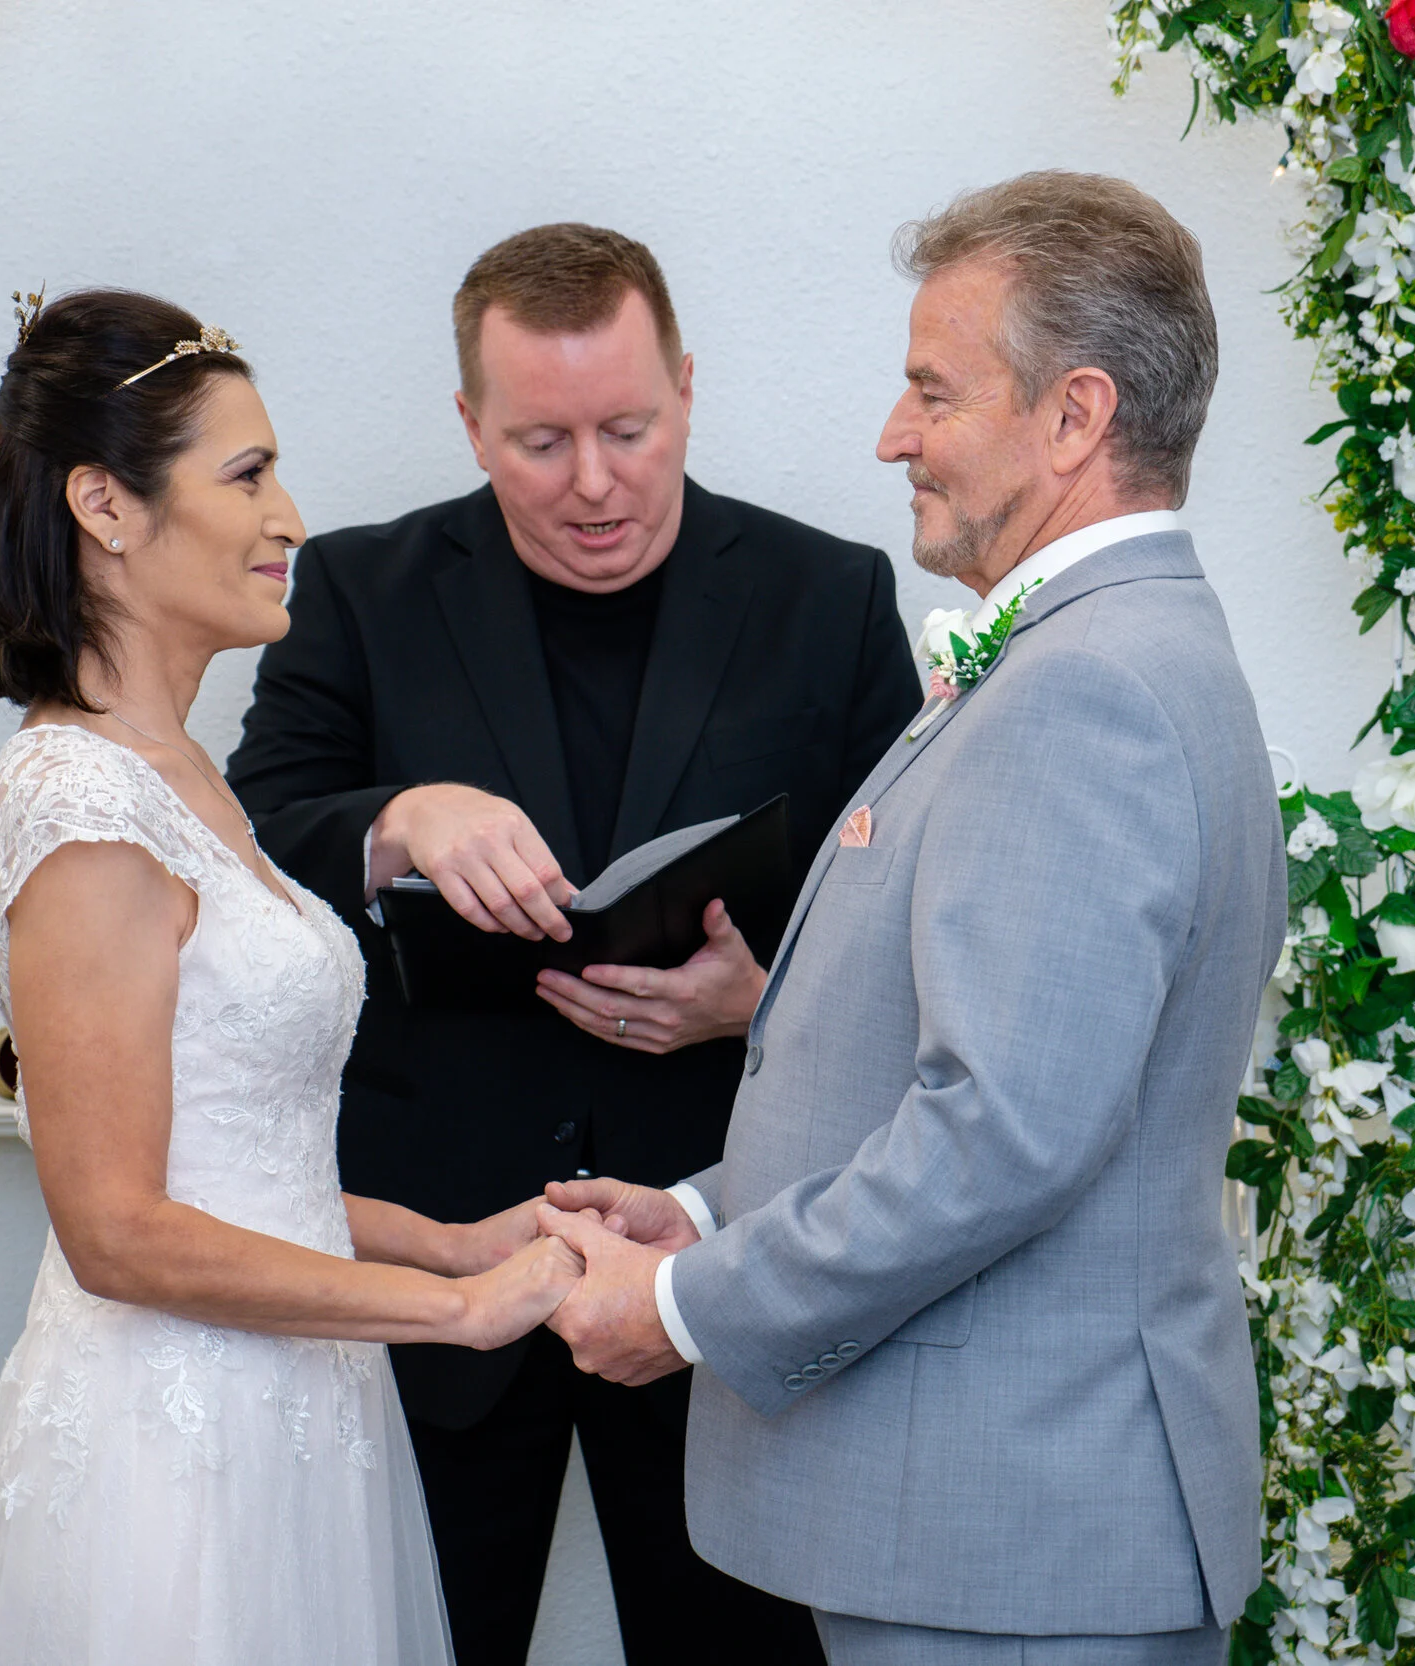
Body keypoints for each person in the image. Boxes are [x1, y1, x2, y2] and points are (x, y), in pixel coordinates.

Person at [538, 172, 1287, 1665]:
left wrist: (685, 1305)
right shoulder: (1101, 651)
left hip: (1012, 1536)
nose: (894, 433)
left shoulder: (1084, 690)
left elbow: (996, 1137)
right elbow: (961, 1075)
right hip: (1000, 1520)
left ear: (1075, 417)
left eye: (933, 392)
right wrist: (709, 1210)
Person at [225, 224, 922, 1664]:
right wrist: (398, 818)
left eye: (628, 429)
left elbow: (908, 911)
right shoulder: (354, 589)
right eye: (541, 442)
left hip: (720, 1253)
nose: (594, 482)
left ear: (687, 389)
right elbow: (243, 849)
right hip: (432, 1250)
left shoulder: (832, 596)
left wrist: (758, 1007)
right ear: (470, 422)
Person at [0, 288, 590, 1666]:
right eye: (249, 475)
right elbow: (118, 1228)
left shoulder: (186, 780)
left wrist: (448, 1241)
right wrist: (457, 1312)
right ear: (105, 505)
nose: (290, 520)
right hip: (174, 1449)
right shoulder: (81, 805)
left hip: (291, 1407)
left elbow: (238, 1162)